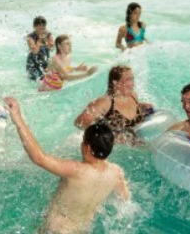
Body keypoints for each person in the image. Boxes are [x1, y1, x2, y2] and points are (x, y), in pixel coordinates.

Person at [7, 97, 130, 233]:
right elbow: (125, 201)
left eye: (83, 141)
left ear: (87, 148)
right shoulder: (116, 173)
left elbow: (38, 157)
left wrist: (17, 118)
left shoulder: (76, 170)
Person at [74, 65, 154, 144]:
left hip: (137, 142)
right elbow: (79, 123)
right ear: (115, 83)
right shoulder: (105, 102)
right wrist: (109, 136)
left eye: (132, 79)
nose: (133, 83)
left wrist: (140, 106)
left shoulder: (133, 96)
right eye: (128, 79)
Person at [26, 16, 54, 81]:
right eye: (39, 26)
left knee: (52, 78)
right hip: (33, 64)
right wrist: (39, 39)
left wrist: (46, 41)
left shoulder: (48, 34)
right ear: (34, 27)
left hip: (45, 62)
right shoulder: (30, 37)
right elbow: (35, 51)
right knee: (40, 79)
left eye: (43, 26)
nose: (42, 28)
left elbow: (52, 48)